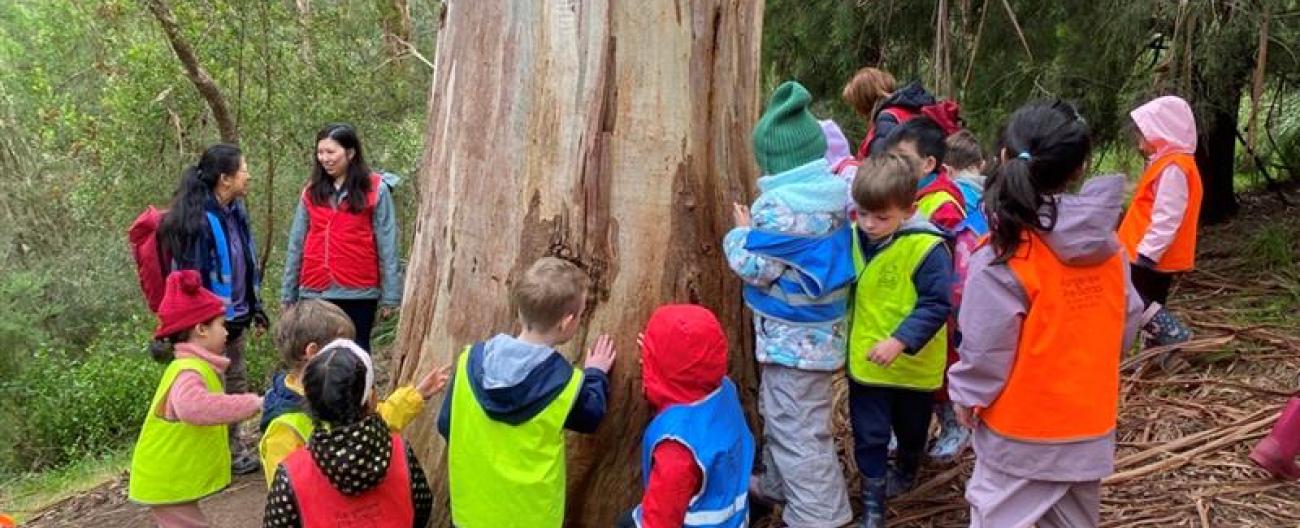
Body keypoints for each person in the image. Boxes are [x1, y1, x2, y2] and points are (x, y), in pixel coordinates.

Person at [948, 100, 1144, 527]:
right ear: (1077, 169)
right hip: (1088, 426)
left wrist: (966, 394)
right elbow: (1126, 319)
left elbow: (985, 348)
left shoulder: (1003, 257)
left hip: (1020, 435)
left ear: (1003, 157)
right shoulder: (1110, 251)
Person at [725, 81, 855, 528]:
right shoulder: (836, 193)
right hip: (823, 335)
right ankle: (780, 488)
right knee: (785, 419)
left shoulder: (778, 206)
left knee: (799, 432)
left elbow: (755, 265)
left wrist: (740, 231)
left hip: (790, 341)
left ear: (773, 161)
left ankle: (820, 515)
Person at [437, 257, 616, 528]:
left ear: (519, 312)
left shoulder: (467, 362)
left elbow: (445, 424)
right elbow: (591, 416)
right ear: (567, 323)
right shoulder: (564, 383)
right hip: (531, 516)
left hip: (473, 511)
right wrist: (596, 374)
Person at [845, 153, 953, 528]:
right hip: (868, 364)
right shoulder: (854, 237)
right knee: (869, 434)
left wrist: (901, 340)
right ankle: (872, 501)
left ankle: (908, 464)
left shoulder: (927, 247)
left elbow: (937, 303)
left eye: (882, 217)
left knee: (911, 426)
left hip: (911, 366)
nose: (870, 225)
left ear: (909, 210)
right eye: (863, 214)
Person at [157, 143, 267, 475]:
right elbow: (193, 279)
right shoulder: (198, 221)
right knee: (207, 389)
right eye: (244, 169)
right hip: (207, 325)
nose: (248, 175)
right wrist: (206, 323)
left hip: (233, 317)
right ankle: (213, 456)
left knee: (234, 380)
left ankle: (231, 451)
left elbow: (243, 261)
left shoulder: (235, 213)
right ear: (225, 178)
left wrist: (255, 307)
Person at [257, 299, 449, 485]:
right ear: (313, 351)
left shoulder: (341, 389)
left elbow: (374, 421)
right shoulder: (284, 427)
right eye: (344, 346)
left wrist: (415, 396)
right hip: (322, 513)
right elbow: (284, 487)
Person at [128, 271, 263, 527]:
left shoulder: (190, 365)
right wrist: (253, 404)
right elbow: (193, 407)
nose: (226, 332)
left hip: (166, 477)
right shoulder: (188, 369)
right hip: (164, 477)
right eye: (221, 324)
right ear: (201, 329)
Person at [262, 339, 438, 527]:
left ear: (311, 404)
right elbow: (422, 504)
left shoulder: (292, 474)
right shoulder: (401, 452)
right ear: (371, 399)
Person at [616, 304, 755, 528]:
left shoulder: (677, 448)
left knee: (624, 523)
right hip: (735, 517)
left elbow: (660, 520)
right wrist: (661, 359)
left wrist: (658, 365)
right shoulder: (726, 390)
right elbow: (692, 375)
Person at [281, 123, 402, 352]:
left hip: (359, 292)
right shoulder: (311, 191)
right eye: (320, 152)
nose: (324, 158)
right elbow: (296, 244)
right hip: (315, 291)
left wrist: (391, 296)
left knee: (356, 353)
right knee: (316, 355)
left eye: (331, 152)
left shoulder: (376, 188)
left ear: (350, 152)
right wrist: (288, 294)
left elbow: (388, 245)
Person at [1117, 96, 1203, 351]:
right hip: (1149, 251)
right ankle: (1159, 352)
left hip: (1148, 254)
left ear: (1162, 132)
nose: (1139, 141)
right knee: (1152, 301)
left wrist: (1148, 253)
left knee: (1133, 299)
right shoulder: (1168, 165)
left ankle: (1173, 334)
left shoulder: (1174, 167)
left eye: (1144, 133)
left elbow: (1168, 215)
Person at [882, 117, 966, 232]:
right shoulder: (893, 192)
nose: (893, 164)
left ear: (928, 164)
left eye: (903, 158)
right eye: (890, 157)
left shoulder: (944, 209)